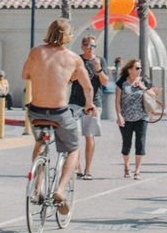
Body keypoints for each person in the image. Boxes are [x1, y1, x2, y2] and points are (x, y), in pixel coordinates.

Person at [21, 19, 94, 215]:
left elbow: (25, 75)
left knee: (41, 143)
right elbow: (88, 87)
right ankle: (60, 190)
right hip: (59, 113)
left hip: (36, 111)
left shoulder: (35, 52)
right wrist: (89, 104)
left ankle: (37, 187)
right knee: (74, 148)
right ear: (69, 36)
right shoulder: (73, 59)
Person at [72, 35, 109, 179]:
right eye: (88, 45)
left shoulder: (100, 61)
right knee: (76, 136)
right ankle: (77, 168)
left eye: (93, 46)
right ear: (82, 46)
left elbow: (105, 82)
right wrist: (78, 74)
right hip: (76, 102)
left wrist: (98, 69)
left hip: (94, 102)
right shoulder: (77, 60)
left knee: (89, 136)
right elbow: (69, 79)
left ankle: (87, 170)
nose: (90, 49)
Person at [115, 58, 155, 179]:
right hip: (126, 117)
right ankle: (127, 166)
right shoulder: (122, 82)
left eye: (140, 68)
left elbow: (153, 95)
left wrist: (142, 87)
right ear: (129, 70)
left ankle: (137, 171)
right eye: (137, 68)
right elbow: (117, 101)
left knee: (140, 143)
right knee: (126, 144)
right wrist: (119, 116)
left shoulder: (144, 81)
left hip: (142, 117)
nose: (140, 70)